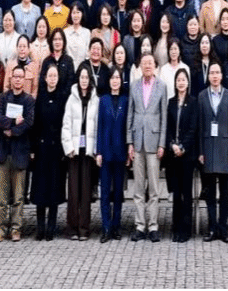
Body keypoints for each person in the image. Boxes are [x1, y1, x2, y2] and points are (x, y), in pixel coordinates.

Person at [126, 53, 167, 242]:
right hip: (137, 142)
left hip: (153, 141)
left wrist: (162, 143)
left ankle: (153, 226)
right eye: (144, 63)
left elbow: (164, 117)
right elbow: (130, 114)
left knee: (154, 189)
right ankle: (140, 225)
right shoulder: (134, 86)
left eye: (150, 63)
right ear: (140, 66)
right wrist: (129, 142)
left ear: (155, 66)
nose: (148, 66)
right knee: (138, 187)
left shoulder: (162, 86)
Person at [0, 64, 36, 242]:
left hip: (20, 152)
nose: (18, 79)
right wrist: (12, 122)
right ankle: (0, 229)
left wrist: (12, 131)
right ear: (11, 78)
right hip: (4, 152)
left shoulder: (29, 100)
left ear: (24, 79)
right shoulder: (3, 98)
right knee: (2, 197)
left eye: (21, 77)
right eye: (15, 76)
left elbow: (29, 123)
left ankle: (16, 229)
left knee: (19, 196)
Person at [197, 62, 228, 243]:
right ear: (208, 76)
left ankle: (223, 228)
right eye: (211, 73)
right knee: (210, 194)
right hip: (208, 149)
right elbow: (200, 126)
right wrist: (200, 151)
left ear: (221, 75)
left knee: (225, 194)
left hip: (224, 148)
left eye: (217, 72)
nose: (214, 76)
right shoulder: (202, 96)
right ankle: (212, 228)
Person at [61, 65, 99, 240]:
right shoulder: (72, 98)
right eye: (82, 77)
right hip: (74, 151)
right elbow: (66, 124)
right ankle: (72, 228)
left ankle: (84, 228)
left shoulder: (95, 99)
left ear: (90, 80)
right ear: (78, 79)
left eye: (87, 78)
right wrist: (68, 147)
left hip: (88, 151)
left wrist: (96, 150)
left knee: (85, 192)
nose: (84, 80)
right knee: (73, 191)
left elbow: (97, 126)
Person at [30, 64, 67, 241]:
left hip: (56, 149)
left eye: (55, 76)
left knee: (54, 189)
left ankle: (51, 227)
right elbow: (35, 124)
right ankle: (40, 227)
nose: (52, 79)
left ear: (58, 78)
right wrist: (33, 148)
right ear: (45, 78)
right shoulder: (40, 98)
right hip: (41, 149)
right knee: (41, 189)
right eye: (50, 76)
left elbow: (64, 125)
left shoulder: (62, 98)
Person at [163, 69, 197, 243]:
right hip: (172, 155)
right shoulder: (170, 102)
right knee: (176, 193)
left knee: (186, 193)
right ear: (175, 83)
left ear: (188, 82)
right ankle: (176, 227)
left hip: (187, 154)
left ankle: (186, 229)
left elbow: (193, 128)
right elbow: (167, 127)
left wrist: (183, 147)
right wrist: (172, 145)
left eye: (184, 80)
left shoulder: (193, 102)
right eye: (178, 80)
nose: (181, 83)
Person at [97, 69, 129, 243]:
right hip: (106, 152)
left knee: (117, 192)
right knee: (104, 192)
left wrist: (129, 150)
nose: (115, 80)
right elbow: (99, 127)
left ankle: (116, 226)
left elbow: (128, 127)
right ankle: (106, 227)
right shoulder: (103, 100)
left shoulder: (126, 100)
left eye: (118, 77)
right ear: (109, 81)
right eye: (113, 77)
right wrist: (98, 152)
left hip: (121, 152)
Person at [40, 27, 76, 92]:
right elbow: (42, 83)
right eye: (55, 39)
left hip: (65, 97)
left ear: (64, 42)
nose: (57, 42)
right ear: (51, 42)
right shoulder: (46, 61)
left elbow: (71, 83)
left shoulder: (68, 61)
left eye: (60, 39)